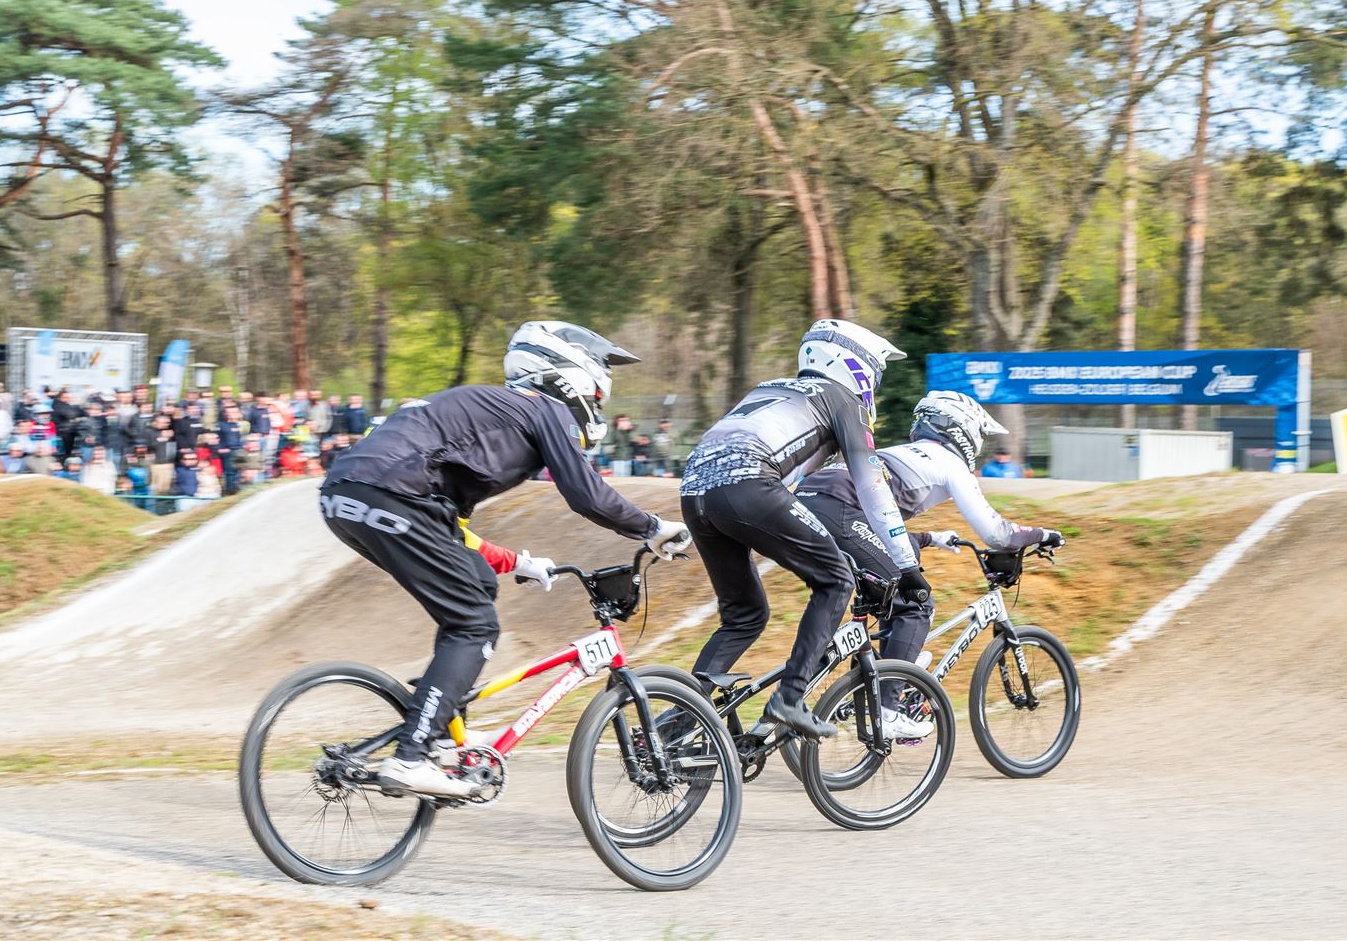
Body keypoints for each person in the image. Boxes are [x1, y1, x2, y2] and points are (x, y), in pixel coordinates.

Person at [319, 320, 690, 798]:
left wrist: (517, 562)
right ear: (569, 373)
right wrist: (652, 528)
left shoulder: (492, 413)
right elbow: (586, 494)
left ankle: (441, 729)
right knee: (474, 625)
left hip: (345, 496)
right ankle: (411, 756)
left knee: (475, 583)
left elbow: (450, 534)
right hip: (394, 494)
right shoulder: (544, 408)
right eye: (598, 392)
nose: (597, 403)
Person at [679, 319, 925, 740]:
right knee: (836, 581)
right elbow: (872, 488)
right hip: (748, 484)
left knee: (744, 615)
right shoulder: (843, 399)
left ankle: (678, 725)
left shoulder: (769, 388)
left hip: (694, 491)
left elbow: (786, 481)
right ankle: (789, 699)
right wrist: (906, 564)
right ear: (855, 365)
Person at [796, 391, 1064, 727]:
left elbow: (879, 528)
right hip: (838, 508)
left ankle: (883, 671)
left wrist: (931, 538)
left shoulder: (904, 453)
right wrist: (1043, 534)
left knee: (888, 594)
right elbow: (997, 534)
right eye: (979, 435)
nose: (979, 443)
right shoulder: (950, 464)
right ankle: (888, 708)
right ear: (962, 429)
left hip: (806, 502)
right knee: (916, 603)